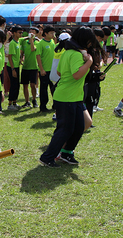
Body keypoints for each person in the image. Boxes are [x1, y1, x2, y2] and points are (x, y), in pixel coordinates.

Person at [39, 27, 99, 167]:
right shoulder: (76, 55)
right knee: (65, 129)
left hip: (73, 97)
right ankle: (47, 157)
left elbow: (60, 72)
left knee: (80, 127)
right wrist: (89, 62)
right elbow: (77, 75)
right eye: (89, 41)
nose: (91, 44)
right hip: (66, 98)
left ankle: (66, 153)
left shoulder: (68, 52)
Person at [36, 26, 56, 113]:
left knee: (54, 88)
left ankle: (55, 104)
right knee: (44, 89)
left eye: (53, 33)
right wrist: (41, 69)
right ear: (46, 33)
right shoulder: (41, 43)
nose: (53, 35)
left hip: (53, 70)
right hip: (45, 70)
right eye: (51, 33)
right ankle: (43, 106)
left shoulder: (52, 42)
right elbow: (38, 56)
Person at [20, 27, 39, 108]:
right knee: (25, 85)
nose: (31, 33)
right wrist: (21, 58)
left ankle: (34, 100)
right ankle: (27, 101)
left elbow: (32, 49)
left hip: (34, 66)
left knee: (32, 85)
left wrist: (32, 40)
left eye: (33, 32)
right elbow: (21, 51)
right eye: (30, 31)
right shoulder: (24, 42)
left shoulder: (38, 42)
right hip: (25, 66)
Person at [6, 26, 23, 111]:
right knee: (13, 86)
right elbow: (10, 57)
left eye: (21, 32)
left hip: (16, 66)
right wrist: (13, 69)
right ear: (14, 33)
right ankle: (10, 104)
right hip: (12, 67)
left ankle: (14, 103)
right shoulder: (12, 43)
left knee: (17, 85)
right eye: (19, 32)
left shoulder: (18, 41)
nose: (21, 34)